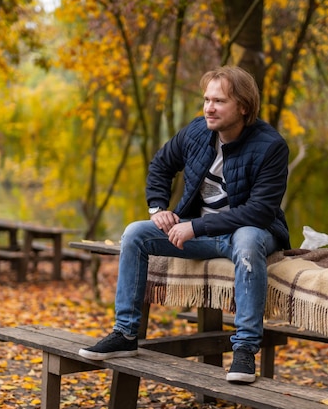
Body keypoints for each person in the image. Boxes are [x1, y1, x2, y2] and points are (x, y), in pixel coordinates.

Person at [79, 65, 291, 384]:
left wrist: (196, 227)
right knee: (135, 233)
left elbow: (260, 212)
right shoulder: (196, 132)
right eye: (206, 99)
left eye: (219, 101)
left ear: (243, 107)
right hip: (199, 233)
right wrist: (157, 209)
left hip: (247, 234)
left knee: (247, 239)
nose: (209, 107)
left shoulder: (271, 146)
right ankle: (125, 334)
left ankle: (245, 349)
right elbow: (161, 166)